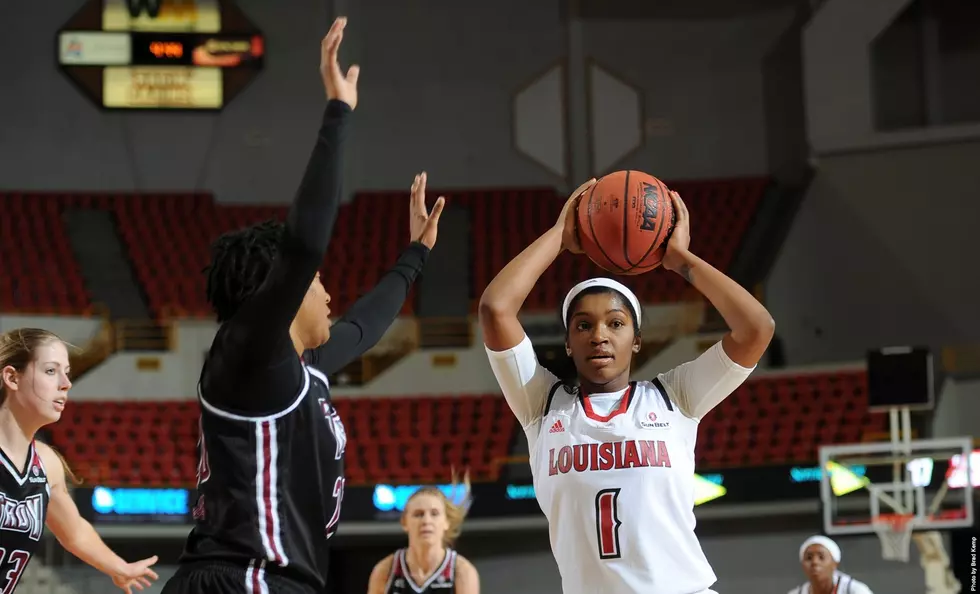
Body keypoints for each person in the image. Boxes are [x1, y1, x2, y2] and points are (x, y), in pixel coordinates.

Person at [162, 17, 445, 594]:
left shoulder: (298, 370)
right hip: (243, 579)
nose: (327, 291)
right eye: (316, 282)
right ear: (281, 291)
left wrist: (414, 256)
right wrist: (338, 111)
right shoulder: (249, 355)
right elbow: (304, 242)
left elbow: (363, 327)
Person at [478, 179, 775, 594]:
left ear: (636, 340)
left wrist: (680, 260)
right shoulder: (541, 403)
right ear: (567, 341)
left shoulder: (675, 397)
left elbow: (756, 328)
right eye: (583, 325)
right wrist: (561, 236)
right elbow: (496, 308)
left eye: (615, 324)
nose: (599, 335)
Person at [0, 327, 159, 593]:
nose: (66, 383)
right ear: (12, 377)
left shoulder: (46, 463)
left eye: (67, 373)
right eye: (51, 371)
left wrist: (119, 567)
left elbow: (74, 532)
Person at [366, 476, 479, 594]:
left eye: (434, 514)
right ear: (404, 523)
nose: (426, 521)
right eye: (418, 514)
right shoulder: (386, 570)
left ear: (447, 522)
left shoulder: (462, 571)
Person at [788, 535, 874, 593]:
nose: (814, 562)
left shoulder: (855, 590)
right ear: (802, 564)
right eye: (809, 558)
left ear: (835, 564)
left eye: (821, 557)